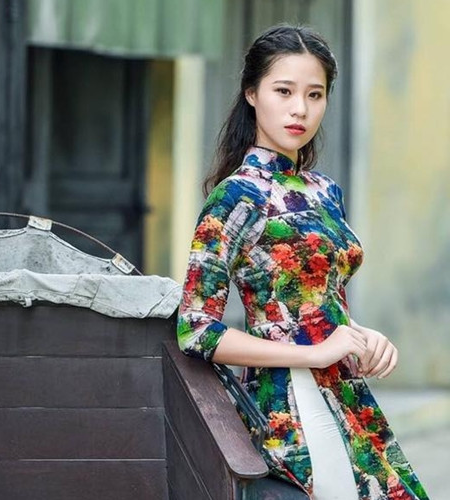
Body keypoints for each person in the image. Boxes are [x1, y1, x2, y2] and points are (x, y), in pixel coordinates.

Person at [177, 24, 430, 500]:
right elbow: (195, 329)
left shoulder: (324, 191)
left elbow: (318, 305)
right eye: (284, 91)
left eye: (315, 94)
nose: (300, 109)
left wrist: (359, 336)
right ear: (252, 93)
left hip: (344, 389)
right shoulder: (236, 196)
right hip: (290, 399)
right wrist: (313, 353)